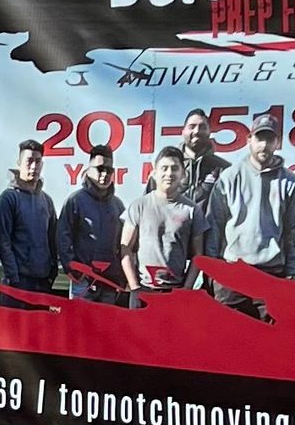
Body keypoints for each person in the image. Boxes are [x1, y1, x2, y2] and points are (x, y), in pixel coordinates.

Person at [216, 116, 295, 306]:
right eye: (259, 138)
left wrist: (292, 271)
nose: (264, 145)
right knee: (225, 335)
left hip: (272, 274)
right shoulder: (230, 177)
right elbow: (215, 224)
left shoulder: (290, 182)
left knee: (270, 336)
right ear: (249, 140)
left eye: (270, 139)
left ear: (277, 142)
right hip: (232, 274)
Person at [125, 146, 202, 292]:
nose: (169, 173)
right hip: (143, 289)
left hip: (176, 291)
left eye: (174, 168)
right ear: (154, 173)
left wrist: (186, 289)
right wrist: (134, 287)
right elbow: (125, 248)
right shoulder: (138, 206)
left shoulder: (192, 210)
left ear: (183, 174)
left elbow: (198, 256)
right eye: (164, 168)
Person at [0, 137, 61, 294]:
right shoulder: (9, 198)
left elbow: (52, 239)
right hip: (17, 283)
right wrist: (14, 277)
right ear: (19, 163)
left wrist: (52, 272)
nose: (33, 166)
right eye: (29, 161)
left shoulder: (47, 200)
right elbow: (3, 241)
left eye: (38, 161)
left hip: (43, 282)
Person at [61, 143, 128, 299]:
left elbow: (124, 244)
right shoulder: (75, 201)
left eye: (109, 170)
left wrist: (121, 277)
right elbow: (63, 237)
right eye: (99, 168)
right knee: (79, 323)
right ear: (89, 170)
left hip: (109, 283)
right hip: (83, 282)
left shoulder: (117, 205)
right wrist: (72, 269)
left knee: (106, 324)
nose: (104, 174)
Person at [172, 107, 228, 259]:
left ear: (209, 131)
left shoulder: (224, 169)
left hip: (210, 252)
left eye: (202, 127)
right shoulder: (167, 167)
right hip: (173, 250)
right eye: (192, 126)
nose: (197, 131)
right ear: (183, 131)